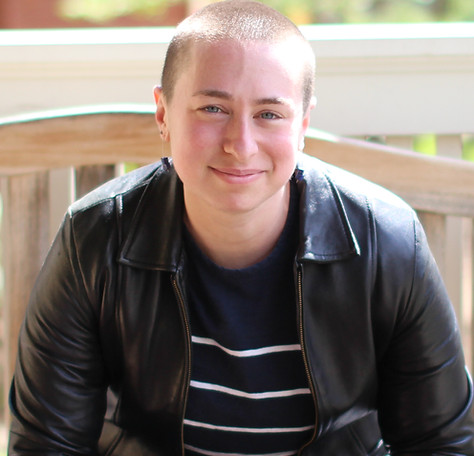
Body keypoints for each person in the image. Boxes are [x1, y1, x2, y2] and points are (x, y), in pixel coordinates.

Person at [8, 0, 474, 454]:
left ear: (303, 125)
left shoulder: (386, 242)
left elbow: (442, 442)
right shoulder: (93, 240)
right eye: (213, 108)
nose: (240, 144)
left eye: (269, 114)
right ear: (163, 113)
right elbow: (48, 443)